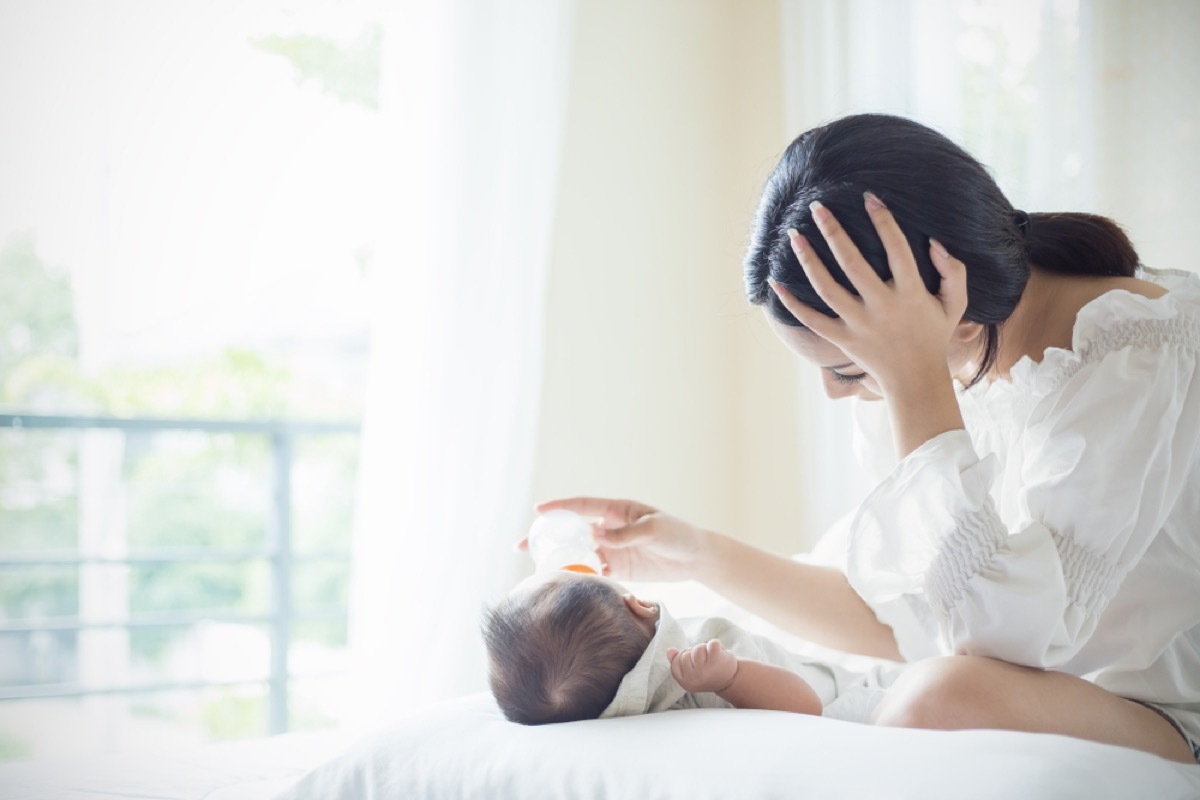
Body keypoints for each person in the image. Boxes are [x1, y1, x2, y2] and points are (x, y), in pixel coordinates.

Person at [534, 113, 1200, 763]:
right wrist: (700, 554)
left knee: (934, 699)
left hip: (1163, 711)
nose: (836, 392)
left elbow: (1009, 644)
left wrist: (914, 380)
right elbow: (907, 622)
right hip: (1032, 683)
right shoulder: (928, 366)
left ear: (954, 315)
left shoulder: (1135, 360)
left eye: (846, 369)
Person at [482, 569, 885, 725]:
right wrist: (733, 677)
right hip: (851, 696)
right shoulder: (697, 680)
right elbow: (807, 708)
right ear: (639, 604)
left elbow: (554, 631)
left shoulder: (601, 697)